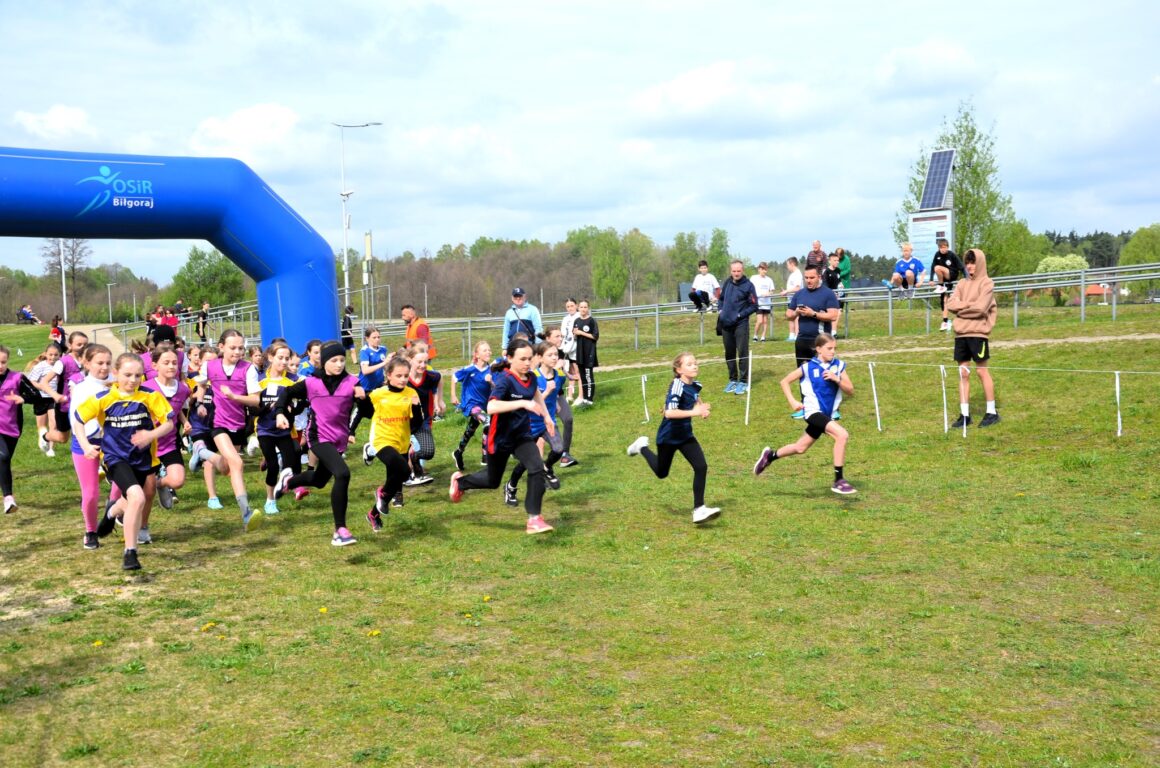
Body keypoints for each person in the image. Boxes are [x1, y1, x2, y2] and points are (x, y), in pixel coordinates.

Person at [74, 352, 175, 570]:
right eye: (127, 375)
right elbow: (78, 419)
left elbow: (169, 423)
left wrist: (150, 435)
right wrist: (85, 445)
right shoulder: (104, 398)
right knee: (137, 497)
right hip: (115, 458)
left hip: (142, 459)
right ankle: (130, 553)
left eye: (138, 375)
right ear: (116, 373)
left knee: (131, 500)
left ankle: (111, 512)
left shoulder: (150, 396)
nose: (133, 380)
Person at [448, 337, 557, 535]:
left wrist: (548, 417)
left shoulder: (530, 377)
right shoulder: (504, 381)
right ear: (509, 358)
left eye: (529, 359)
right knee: (492, 481)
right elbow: (491, 407)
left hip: (522, 435)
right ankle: (460, 483)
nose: (527, 363)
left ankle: (534, 518)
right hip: (499, 439)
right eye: (522, 359)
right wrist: (522, 404)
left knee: (536, 467)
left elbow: (535, 394)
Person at [273, 341, 367, 546]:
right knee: (342, 473)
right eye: (334, 360)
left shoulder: (353, 382)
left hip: (338, 439)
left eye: (342, 360)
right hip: (318, 437)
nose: (340, 364)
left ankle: (289, 481)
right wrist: (280, 412)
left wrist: (363, 399)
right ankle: (340, 531)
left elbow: (368, 412)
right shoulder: (311, 383)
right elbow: (286, 393)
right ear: (324, 362)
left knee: (319, 480)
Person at [753, 332, 857, 495]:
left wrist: (836, 379)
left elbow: (850, 390)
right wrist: (793, 401)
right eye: (829, 348)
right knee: (842, 435)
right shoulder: (808, 367)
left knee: (800, 448)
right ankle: (839, 480)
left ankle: (770, 456)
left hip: (826, 415)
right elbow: (784, 381)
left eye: (834, 348)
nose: (832, 352)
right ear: (818, 349)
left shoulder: (838, 366)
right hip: (812, 412)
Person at [626, 352, 720, 524]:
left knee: (701, 466)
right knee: (662, 473)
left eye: (695, 363)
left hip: (685, 436)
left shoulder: (695, 385)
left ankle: (699, 509)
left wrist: (702, 408)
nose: (695, 366)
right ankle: (641, 447)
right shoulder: (676, 385)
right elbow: (669, 412)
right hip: (668, 437)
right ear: (678, 369)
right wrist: (695, 412)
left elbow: (695, 397)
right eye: (690, 364)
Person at [224, 342, 300, 515]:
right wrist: (269, 407)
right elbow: (253, 409)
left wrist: (291, 409)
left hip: (285, 430)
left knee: (290, 461)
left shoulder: (293, 381)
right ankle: (270, 500)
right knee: (272, 465)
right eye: (280, 358)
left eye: (287, 358)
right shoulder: (259, 381)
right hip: (265, 429)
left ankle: (285, 483)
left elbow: (300, 406)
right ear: (271, 358)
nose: (284, 362)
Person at [203, 329, 263, 531]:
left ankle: (202, 452)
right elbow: (199, 384)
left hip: (238, 424)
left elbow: (256, 399)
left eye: (241, 348)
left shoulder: (249, 369)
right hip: (217, 422)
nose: (238, 352)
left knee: (227, 468)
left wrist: (235, 398)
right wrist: (201, 400)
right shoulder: (210, 366)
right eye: (232, 348)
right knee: (237, 463)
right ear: (221, 347)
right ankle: (246, 513)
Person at [364, 356, 424, 530]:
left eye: (406, 376)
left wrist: (415, 407)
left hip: (402, 442)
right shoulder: (378, 394)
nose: (403, 379)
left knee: (398, 479)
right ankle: (380, 491)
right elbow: (365, 412)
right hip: (382, 440)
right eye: (399, 375)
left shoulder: (411, 394)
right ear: (389, 375)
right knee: (404, 469)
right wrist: (351, 430)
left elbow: (417, 423)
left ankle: (373, 514)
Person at [139, 343, 192, 537]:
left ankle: (163, 484)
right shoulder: (145, 389)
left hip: (169, 443)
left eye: (174, 363)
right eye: (166, 363)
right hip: (147, 446)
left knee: (177, 481)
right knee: (147, 492)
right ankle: (143, 527)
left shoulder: (184, 390)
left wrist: (185, 421)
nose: (171, 366)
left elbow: (175, 411)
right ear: (155, 366)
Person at [504, 342, 566, 506]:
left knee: (559, 449)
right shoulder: (532, 377)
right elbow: (528, 402)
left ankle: (547, 467)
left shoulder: (559, 375)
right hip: (529, 425)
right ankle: (510, 487)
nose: (554, 358)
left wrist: (557, 404)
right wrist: (547, 392)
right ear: (539, 358)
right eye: (550, 355)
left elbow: (558, 393)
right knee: (526, 462)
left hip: (548, 422)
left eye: (556, 354)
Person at [946, 248, 1000, 428]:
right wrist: (970, 305)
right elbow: (950, 304)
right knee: (963, 373)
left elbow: (981, 309)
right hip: (961, 335)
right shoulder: (961, 284)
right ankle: (964, 415)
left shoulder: (987, 283)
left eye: (973, 262)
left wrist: (962, 309)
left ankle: (992, 412)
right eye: (968, 263)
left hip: (978, 335)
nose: (970, 266)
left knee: (981, 371)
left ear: (980, 263)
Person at [0, 344, 47, 515]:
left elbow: (37, 396)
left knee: (4, 461)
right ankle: (8, 499)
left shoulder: (17, 378)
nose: (0, 366)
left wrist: (22, 398)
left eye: (3, 362)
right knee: (3, 457)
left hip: (12, 428)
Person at [401, 345, 442, 486]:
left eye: (426, 362)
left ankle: (413, 458)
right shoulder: (402, 379)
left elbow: (438, 382)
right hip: (402, 422)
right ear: (409, 360)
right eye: (419, 362)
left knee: (428, 452)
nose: (423, 365)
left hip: (422, 421)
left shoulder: (432, 377)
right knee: (401, 467)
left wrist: (439, 401)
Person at [450, 340, 493, 472]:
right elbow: (454, 377)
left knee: (471, 430)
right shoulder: (470, 369)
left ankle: (458, 452)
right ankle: (485, 457)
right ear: (477, 354)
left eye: (489, 350)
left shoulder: (491, 370)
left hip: (484, 406)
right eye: (484, 350)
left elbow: (497, 388)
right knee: (487, 421)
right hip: (471, 405)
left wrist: (491, 382)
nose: (488, 352)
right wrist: (453, 395)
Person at [541, 327, 580, 468]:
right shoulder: (539, 353)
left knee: (568, 419)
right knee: (540, 433)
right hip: (542, 396)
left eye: (561, 336)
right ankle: (538, 467)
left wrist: (570, 376)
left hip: (557, 394)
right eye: (557, 336)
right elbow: (535, 373)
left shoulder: (561, 353)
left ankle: (565, 455)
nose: (560, 339)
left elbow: (559, 371)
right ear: (548, 338)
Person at [718, 260, 758, 395]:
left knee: (742, 353)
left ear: (743, 270)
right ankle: (733, 379)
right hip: (726, 324)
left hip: (741, 324)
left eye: (738, 271)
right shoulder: (727, 283)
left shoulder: (749, 286)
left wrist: (740, 315)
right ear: (731, 271)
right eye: (734, 271)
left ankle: (743, 381)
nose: (736, 273)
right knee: (729, 353)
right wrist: (720, 310)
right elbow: (721, 299)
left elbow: (754, 305)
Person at [26, 343, 66, 457]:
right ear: (45, 354)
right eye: (50, 355)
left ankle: (50, 449)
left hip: (54, 398)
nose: (53, 357)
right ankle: (43, 439)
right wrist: (44, 388)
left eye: (56, 355)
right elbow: (31, 382)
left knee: (53, 424)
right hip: (41, 399)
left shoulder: (61, 365)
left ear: (60, 355)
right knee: (42, 426)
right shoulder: (40, 366)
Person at [930, 238, 966, 332]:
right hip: (945, 280)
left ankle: (940, 285)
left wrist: (967, 278)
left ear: (947, 247)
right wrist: (930, 279)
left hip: (952, 274)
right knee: (944, 299)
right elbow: (932, 267)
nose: (943, 249)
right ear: (939, 248)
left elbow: (962, 267)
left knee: (938, 268)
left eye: (945, 247)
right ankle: (945, 322)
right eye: (941, 248)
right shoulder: (937, 255)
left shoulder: (951, 255)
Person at [571, 299, 599, 406]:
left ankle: (590, 399)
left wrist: (581, 332)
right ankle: (584, 398)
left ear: (588, 308)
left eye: (585, 307)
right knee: (582, 377)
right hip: (580, 353)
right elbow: (574, 336)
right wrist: (575, 334)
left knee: (588, 376)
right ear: (578, 308)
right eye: (581, 307)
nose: (583, 309)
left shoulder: (592, 321)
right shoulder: (577, 321)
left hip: (589, 352)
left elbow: (595, 336)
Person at [559, 298, 580, 403]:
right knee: (569, 371)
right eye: (568, 306)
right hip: (566, 347)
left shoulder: (579, 316)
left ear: (576, 306)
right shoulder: (565, 319)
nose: (570, 308)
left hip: (576, 347)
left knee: (577, 371)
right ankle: (570, 395)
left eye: (572, 306)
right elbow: (563, 333)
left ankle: (581, 395)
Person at [751, 262, 776, 342]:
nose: (764, 271)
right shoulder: (754, 278)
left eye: (765, 269)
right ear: (759, 269)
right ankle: (755, 335)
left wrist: (767, 294)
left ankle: (763, 336)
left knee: (765, 321)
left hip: (766, 303)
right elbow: (750, 288)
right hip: (758, 303)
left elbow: (772, 290)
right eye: (762, 269)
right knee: (760, 321)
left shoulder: (769, 280)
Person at [780, 257, 803, 341]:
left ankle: (797, 335)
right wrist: (786, 292)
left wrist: (786, 291)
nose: (787, 267)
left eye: (788, 265)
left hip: (797, 298)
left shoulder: (797, 274)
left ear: (792, 264)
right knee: (790, 316)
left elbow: (797, 288)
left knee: (796, 317)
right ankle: (791, 335)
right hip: (791, 299)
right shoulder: (793, 274)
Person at [821, 252, 845, 334]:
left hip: (838, 296)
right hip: (829, 296)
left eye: (838, 260)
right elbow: (825, 285)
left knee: (838, 313)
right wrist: (831, 293)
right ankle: (829, 332)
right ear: (830, 261)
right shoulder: (826, 272)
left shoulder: (838, 270)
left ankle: (834, 332)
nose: (837, 262)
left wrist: (841, 287)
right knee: (831, 314)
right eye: (835, 260)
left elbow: (838, 282)